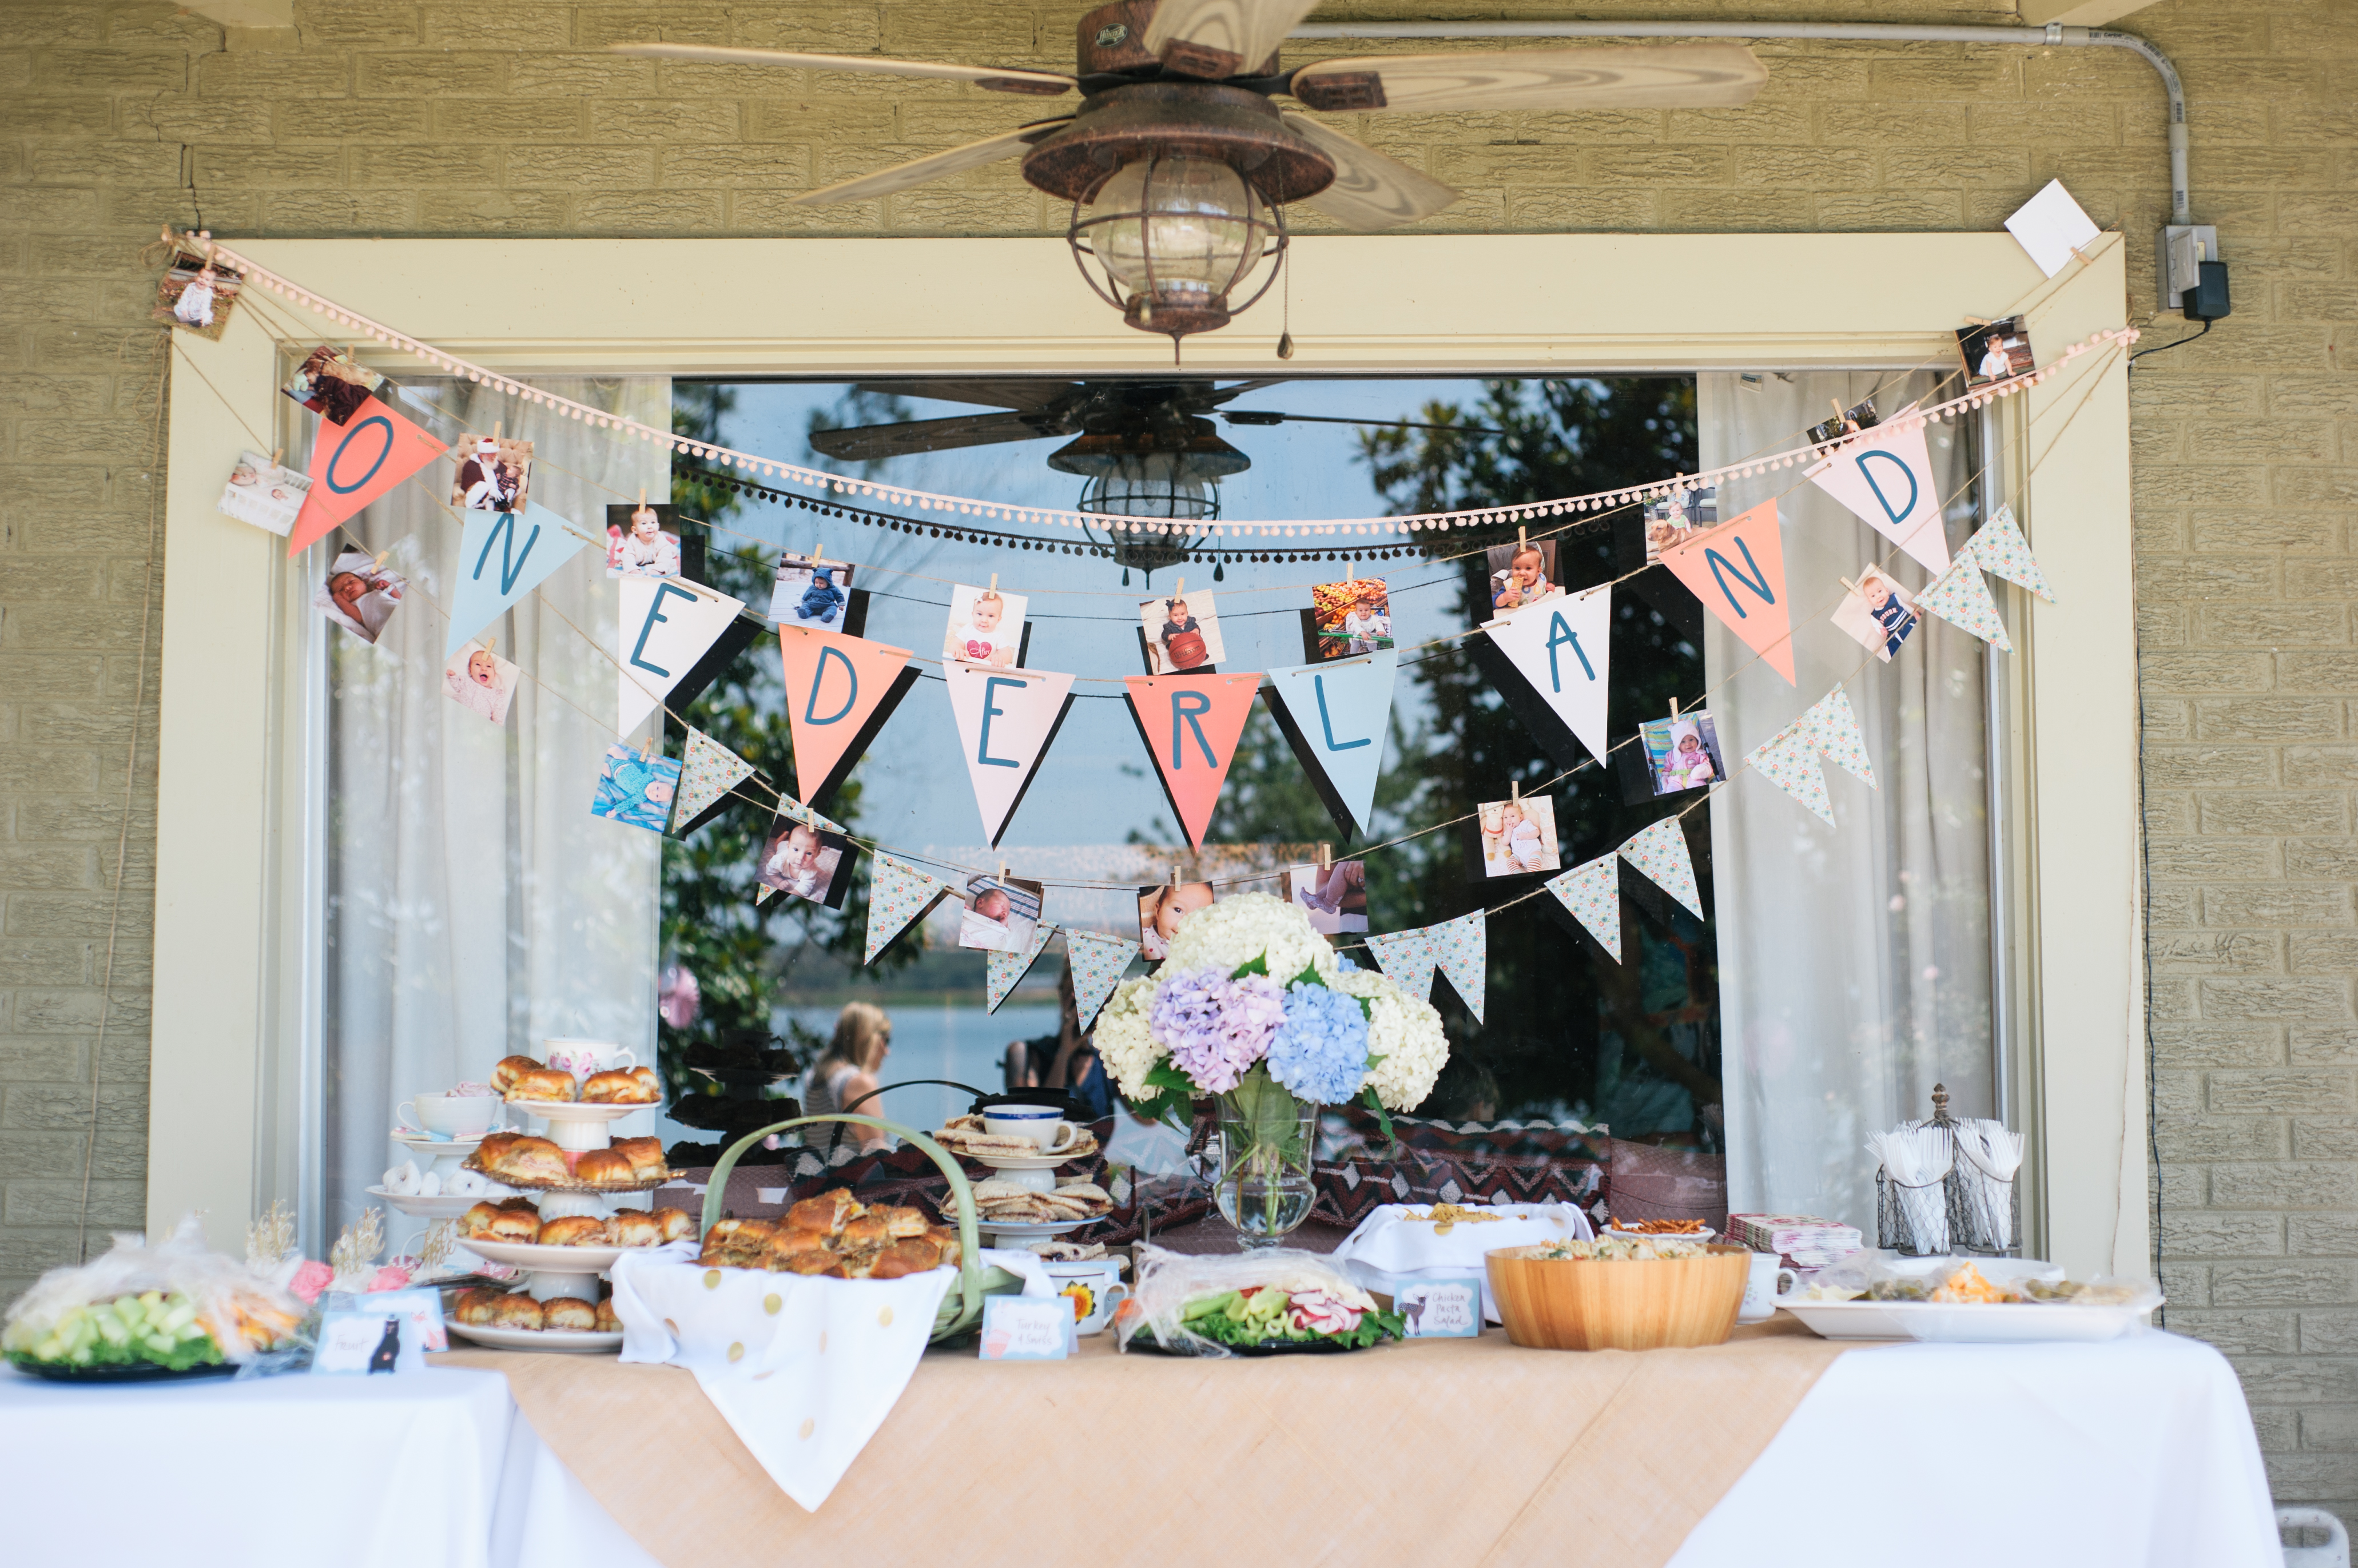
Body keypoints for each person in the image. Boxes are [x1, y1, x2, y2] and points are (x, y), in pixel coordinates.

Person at [1004, 962, 1114, 1122]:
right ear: (1061, 995)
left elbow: (1147, 1119)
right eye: (1074, 994)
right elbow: (1035, 1120)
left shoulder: (1107, 1062)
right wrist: (1064, 1053)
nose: (1083, 1011)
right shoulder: (1027, 1054)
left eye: (1090, 999)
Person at [804, 1002, 893, 1153]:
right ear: (869, 1038)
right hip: (852, 1176)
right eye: (886, 1040)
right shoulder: (859, 1082)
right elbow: (876, 1155)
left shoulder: (814, 1076)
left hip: (819, 1175)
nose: (887, 1051)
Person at [1137, 881, 1212, 962]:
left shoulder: (1202, 948)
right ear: (1158, 911)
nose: (1186, 923)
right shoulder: (1143, 938)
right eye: (1178, 910)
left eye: (1198, 917)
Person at [945, 587, 1017, 667]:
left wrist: (1001, 658)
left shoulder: (998, 634)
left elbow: (1006, 652)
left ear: (998, 619)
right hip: (964, 666)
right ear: (973, 615)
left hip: (985, 670)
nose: (984, 620)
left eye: (991, 616)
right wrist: (958, 650)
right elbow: (956, 643)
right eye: (980, 614)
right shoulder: (968, 629)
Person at [444, 644, 509, 722]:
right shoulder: (466, 681)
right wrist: (453, 677)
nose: (484, 668)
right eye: (478, 664)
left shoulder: (496, 694)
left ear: (494, 675)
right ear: (470, 671)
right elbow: (457, 686)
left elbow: (499, 713)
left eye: (489, 666)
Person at [613, 504, 680, 577]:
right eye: (644, 523)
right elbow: (627, 556)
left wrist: (658, 570)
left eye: (653, 522)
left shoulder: (660, 538)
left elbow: (665, 556)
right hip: (640, 557)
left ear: (658, 526)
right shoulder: (633, 541)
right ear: (635, 530)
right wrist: (632, 569)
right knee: (624, 555)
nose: (650, 526)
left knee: (668, 551)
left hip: (659, 554)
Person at [1156, 598, 1209, 671]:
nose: (1180, 618)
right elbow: (1164, 635)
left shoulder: (1191, 621)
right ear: (1170, 617)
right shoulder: (1168, 627)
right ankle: (1182, 663)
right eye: (1175, 615)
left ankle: (1201, 655)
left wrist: (1196, 630)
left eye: (1183, 614)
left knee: (1199, 643)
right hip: (1179, 649)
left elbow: (1196, 627)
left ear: (1187, 614)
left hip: (1193, 645)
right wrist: (1170, 636)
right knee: (1177, 654)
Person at [1492, 546, 1553, 610]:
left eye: (1528, 568)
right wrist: (1505, 598)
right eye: (1517, 568)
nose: (1522, 573)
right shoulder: (1510, 586)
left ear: (1538, 571)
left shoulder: (1540, 580)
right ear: (1512, 569)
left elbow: (1543, 587)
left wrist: (1548, 586)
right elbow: (1494, 602)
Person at [1339, 584, 1391, 655]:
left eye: (1366, 610)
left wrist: (1380, 631)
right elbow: (1356, 626)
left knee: (1373, 647)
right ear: (1356, 613)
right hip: (1358, 636)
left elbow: (1378, 624)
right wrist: (1362, 632)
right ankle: (1352, 657)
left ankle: (1374, 657)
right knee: (1354, 647)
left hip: (1370, 636)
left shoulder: (1374, 618)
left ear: (1370, 611)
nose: (1364, 613)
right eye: (1361, 611)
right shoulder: (1356, 619)